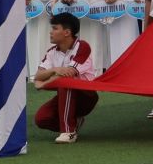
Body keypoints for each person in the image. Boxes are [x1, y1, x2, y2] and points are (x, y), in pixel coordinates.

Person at [33, 13, 102, 144]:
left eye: (55, 28)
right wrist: (54, 70)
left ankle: (68, 132)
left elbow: (68, 74)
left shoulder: (82, 46)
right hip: (64, 95)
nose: (51, 32)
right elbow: (37, 76)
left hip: (86, 97)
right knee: (41, 119)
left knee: (66, 82)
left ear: (67, 32)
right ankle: (74, 122)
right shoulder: (51, 52)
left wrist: (43, 84)